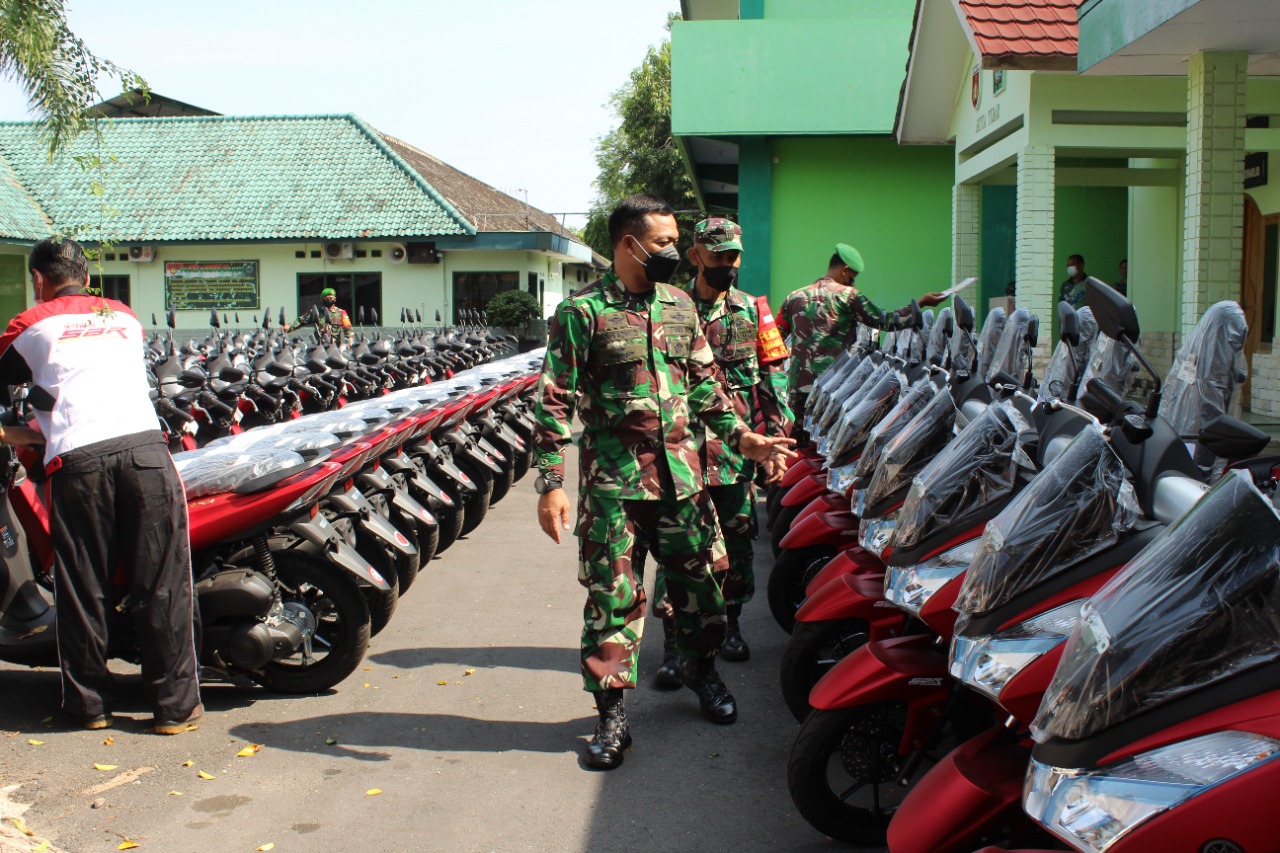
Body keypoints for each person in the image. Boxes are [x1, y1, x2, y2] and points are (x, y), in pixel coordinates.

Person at [534, 195, 795, 771]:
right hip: (614, 489)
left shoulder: (679, 306)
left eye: (677, 242)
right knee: (612, 603)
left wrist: (742, 437)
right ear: (627, 244)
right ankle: (611, 716)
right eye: (663, 243)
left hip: (684, 484)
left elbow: (705, 387)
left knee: (701, 591)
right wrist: (550, 480)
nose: (675, 253)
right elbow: (553, 400)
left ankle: (705, 676)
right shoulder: (583, 314)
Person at [0, 238, 201, 734]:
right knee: (163, 583)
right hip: (148, 454)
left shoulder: (31, 323)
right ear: (87, 278)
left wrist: (10, 431)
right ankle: (174, 709)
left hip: (81, 462)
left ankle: (88, 706)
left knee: (82, 585)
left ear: (39, 281)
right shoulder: (125, 318)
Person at [646, 217, 792, 686]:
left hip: (734, 453)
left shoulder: (755, 312)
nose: (727, 265)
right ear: (694, 256)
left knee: (737, 541)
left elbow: (774, 380)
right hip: (680, 454)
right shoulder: (669, 307)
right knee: (679, 549)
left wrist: (775, 444)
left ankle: (730, 627)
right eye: (717, 257)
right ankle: (673, 646)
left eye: (733, 257)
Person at [776, 243, 945, 427]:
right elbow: (886, 321)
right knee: (825, 443)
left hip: (798, 386)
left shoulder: (794, 296)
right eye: (852, 277)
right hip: (832, 387)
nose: (853, 282)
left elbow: (775, 336)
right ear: (844, 270)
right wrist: (920, 304)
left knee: (796, 443)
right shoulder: (849, 297)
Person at [284, 287, 352, 342]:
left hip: (335, 348)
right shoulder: (316, 312)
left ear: (335, 299)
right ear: (322, 299)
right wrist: (289, 327)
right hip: (319, 346)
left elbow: (348, 328)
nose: (328, 300)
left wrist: (349, 340)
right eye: (326, 298)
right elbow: (300, 321)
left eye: (330, 298)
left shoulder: (341, 313)